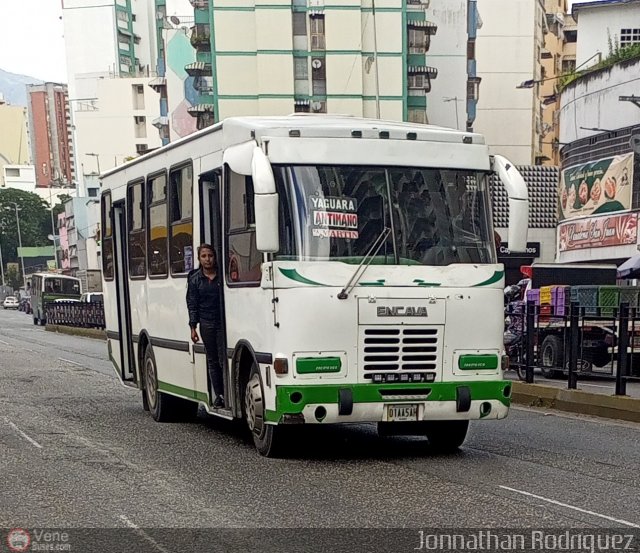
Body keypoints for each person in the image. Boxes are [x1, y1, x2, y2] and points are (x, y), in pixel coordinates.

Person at [186, 244, 225, 408]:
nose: (207, 259)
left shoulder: (223, 276)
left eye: (210, 255)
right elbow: (192, 304)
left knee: (224, 358)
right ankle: (220, 395)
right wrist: (193, 327)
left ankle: (228, 391)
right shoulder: (195, 279)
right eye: (204, 256)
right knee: (213, 360)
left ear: (215, 257)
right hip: (207, 323)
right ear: (199, 259)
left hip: (223, 323)